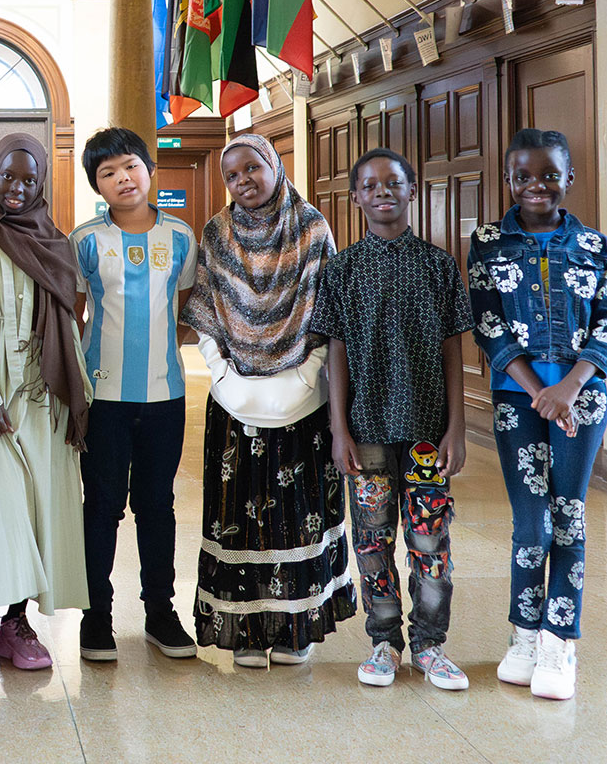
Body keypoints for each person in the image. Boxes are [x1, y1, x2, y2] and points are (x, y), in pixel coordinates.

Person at [183, 134, 356, 671]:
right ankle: (247, 633)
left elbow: (329, 307)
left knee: (295, 514)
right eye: (232, 176)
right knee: (237, 514)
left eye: (252, 168)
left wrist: (307, 374)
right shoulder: (216, 232)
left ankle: (294, 628)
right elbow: (206, 306)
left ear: (275, 166)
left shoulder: (310, 228)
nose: (243, 182)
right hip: (233, 401)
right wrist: (221, 372)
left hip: (303, 400)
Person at [470, 129, 607, 701]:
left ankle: (561, 641)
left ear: (569, 178)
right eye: (523, 176)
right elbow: (489, 324)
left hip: (581, 402)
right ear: (508, 180)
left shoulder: (596, 246)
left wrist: (572, 386)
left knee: (569, 514)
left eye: (549, 175)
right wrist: (540, 391)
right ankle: (525, 634)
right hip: (519, 399)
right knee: (529, 521)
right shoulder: (487, 241)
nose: (536, 185)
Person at [312, 147, 474, 692]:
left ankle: (431, 645)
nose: (382, 191)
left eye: (393, 182)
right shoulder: (342, 269)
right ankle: (383, 641)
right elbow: (334, 350)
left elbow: (454, 348)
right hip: (367, 430)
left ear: (411, 190)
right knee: (372, 539)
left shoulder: (439, 265)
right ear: (356, 197)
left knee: (430, 540)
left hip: (428, 428)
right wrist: (339, 429)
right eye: (371, 185)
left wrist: (458, 425)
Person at [0, 134, 92, 674]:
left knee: (36, 510)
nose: (17, 188)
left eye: (29, 180)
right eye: (8, 176)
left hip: (45, 395)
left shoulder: (57, 239)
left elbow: (70, 323)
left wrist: (79, 398)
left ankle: (15, 621)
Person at [68, 127, 198, 662]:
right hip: (104, 399)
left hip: (165, 396)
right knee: (100, 507)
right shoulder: (86, 241)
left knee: (157, 506)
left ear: (149, 169)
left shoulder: (182, 237)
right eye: (108, 173)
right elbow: (74, 317)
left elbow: (183, 315)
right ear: (97, 186)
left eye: (131, 166)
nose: (123, 178)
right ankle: (96, 617)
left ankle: (161, 614)